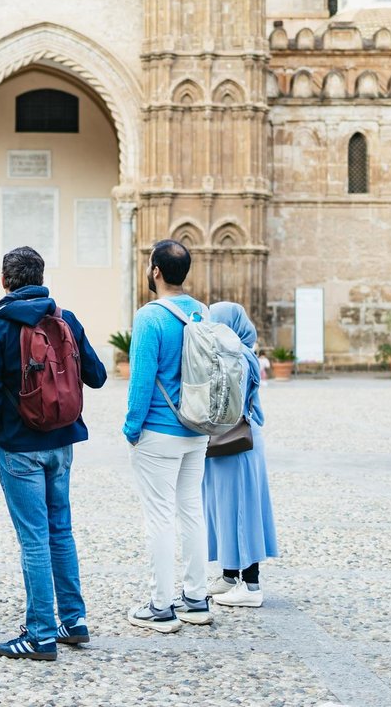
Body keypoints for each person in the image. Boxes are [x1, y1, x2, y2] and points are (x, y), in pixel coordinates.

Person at [0, 246, 108, 660]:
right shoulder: (65, 319)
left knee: (33, 538)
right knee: (60, 530)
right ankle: (73, 619)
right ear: (41, 276)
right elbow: (98, 376)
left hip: (18, 446)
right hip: (61, 442)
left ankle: (40, 634)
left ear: (4, 281)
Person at [120, 240, 212, 632]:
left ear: (155, 271)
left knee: (158, 517)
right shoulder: (202, 312)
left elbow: (140, 381)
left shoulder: (149, 317)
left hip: (159, 430)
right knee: (191, 510)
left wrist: (131, 427)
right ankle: (195, 598)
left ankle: (160, 606)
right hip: (197, 428)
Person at [204, 302, 280, 607]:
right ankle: (229, 575)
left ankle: (251, 585)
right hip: (230, 442)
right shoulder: (237, 354)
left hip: (237, 442)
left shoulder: (238, 357)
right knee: (224, 509)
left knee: (242, 510)